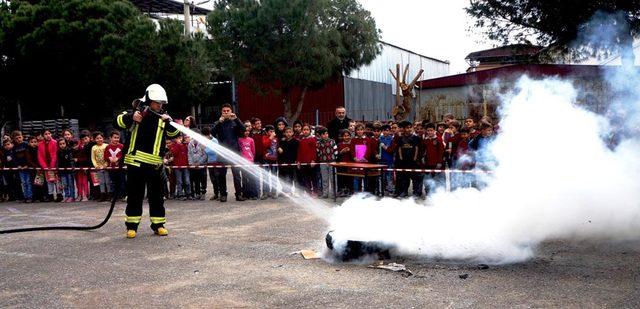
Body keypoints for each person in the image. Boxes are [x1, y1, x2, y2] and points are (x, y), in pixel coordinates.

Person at [114, 83, 179, 238]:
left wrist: (169, 121)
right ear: (149, 101)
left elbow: (175, 133)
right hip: (136, 164)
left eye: (162, 103)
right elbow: (117, 121)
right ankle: (132, 227)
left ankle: (158, 225)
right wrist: (131, 117)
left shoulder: (163, 118)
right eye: (157, 103)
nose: (159, 105)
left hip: (155, 165)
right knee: (135, 196)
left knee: (157, 196)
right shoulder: (137, 114)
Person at [211, 103, 245, 202]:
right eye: (224, 111)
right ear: (221, 112)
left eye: (228, 111)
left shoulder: (235, 122)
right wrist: (218, 123)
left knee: (237, 175)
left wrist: (236, 119)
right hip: (222, 153)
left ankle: (238, 194)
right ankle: (223, 195)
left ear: (231, 111)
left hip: (234, 153)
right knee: (221, 175)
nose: (226, 113)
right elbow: (211, 133)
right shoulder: (218, 123)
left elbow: (243, 130)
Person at [389, 121, 423, 198]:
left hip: (413, 162)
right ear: (403, 129)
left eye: (410, 127)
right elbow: (398, 149)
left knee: (415, 178)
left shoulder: (416, 138)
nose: (409, 129)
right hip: (402, 161)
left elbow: (418, 149)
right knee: (404, 178)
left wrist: (416, 159)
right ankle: (403, 191)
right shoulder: (399, 138)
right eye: (407, 128)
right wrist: (400, 159)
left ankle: (416, 193)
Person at [37, 130, 61, 202]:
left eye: (49, 133)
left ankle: (59, 195)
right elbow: (40, 156)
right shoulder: (40, 144)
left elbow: (55, 155)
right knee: (49, 181)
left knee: (57, 181)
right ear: (43, 135)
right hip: (46, 167)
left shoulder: (55, 143)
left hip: (54, 165)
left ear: (51, 134)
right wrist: (45, 166)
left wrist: (52, 165)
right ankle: (50, 196)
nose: (48, 135)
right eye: (46, 134)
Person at [422, 123, 445, 196]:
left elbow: (441, 152)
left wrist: (439, 162)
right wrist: (423, 158)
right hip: (427, 163)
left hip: (436, 163)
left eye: (431, 130)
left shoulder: (438, 139)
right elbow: (423, 151)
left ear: (434, 130)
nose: (429, 132)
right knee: (427, 179)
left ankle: (437, 194)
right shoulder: (425, 140)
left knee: (437, 179)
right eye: (428, 131)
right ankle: (428, 193)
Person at [315, 126, 337, 199]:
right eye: (323, 134)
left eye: (327, 133)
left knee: (333, 178)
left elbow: (336, 151)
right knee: (324, 179)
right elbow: (318, 153)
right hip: (323, 163)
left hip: (332, 163)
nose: (325, 135)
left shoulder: (332, 141)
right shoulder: (318, 143)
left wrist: (333, 160)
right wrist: (322, 160)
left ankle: (334, 194)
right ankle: (325, 194)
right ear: (320, 135)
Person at [296, 124, 317, 195]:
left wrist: (313, 160)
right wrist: (298, 161)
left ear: (310, 131)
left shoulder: (312, 140)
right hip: (303, 163)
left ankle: (315, 192)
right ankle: (308, 192)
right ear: (302, 131)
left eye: (307, 130)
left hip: (311, 163)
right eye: (304, 130)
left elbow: (314, 151)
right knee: (306, 178)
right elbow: (299, 152)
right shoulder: (301, 141)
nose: (305, 131)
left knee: (313, 178)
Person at [12, 131, 33, 203]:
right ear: (14, 139)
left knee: (28, 182)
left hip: (27, 167)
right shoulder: (14, 148)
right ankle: (25, 196)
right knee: (23, 182)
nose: (18, 139)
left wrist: (27, 165)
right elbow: (14, 158)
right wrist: (18, 165)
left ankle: (30, 196)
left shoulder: (26, 144)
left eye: (20, 137)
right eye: (16, 138)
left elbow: (30, 156)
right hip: (20, 167)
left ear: (22, 137)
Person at [104, 131, 125, 201]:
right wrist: (109, 158)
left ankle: (122, 195)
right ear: (110, 138)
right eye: (115, 138)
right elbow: (105, 156)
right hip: (111, 169)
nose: (116, 139)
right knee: (113, 182)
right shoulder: (108, 147)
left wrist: (118, 159)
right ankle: (114, 196)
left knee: (121, 182)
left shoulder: (121, 146)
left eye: (118, 138)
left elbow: (124, 156)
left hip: (120, 168)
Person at [202, 127, 221, 201]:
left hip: (215, 161)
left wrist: (205, 148)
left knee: (217, 178)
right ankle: (215, 193)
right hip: (209, 162)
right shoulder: (205, 141)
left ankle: (219, 193)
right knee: (212, 179)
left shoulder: (214, 140)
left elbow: (213, 151)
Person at [277, 127, 298, 196]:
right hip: (283, 163)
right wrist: (279, 150)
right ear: (284, 133)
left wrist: (296, 161)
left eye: (290, 132)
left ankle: (289, 190)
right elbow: (279, 151)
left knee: (291, 177)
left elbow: (297, 153)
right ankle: (284, 190)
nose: (288, 134)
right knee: (282, 177)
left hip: (292, 163)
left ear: (292, 133)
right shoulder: (282, 141)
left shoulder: (296, 142)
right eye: (287, 132)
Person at [188, 129, 207, 200]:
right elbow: (189, 154)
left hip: (201, 165)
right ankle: (197, 193)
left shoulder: (202, 143)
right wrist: (191, 163)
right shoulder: (190, 143)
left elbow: (205, 155)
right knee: (196, 180)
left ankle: (203, 193)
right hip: (193, 165)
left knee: (203, 179)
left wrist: (199, 163)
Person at [91, 131, 110, 202]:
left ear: (103, 138)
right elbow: (93, 158)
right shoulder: (94, 147)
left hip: (106, 167)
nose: (99, 139)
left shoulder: (106, 146)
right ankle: (102, 195)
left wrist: (106, 164)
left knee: (107, 181)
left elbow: (108, 156)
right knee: (101, 182)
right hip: (98, 168)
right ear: (94, 139)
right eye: (97, 138)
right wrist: (96, 165)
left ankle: (109, 194)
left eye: (100, 138)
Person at [170, 135, 190, 200]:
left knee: (187, 181)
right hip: (177, 166)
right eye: (178, 138)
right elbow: (174, 153)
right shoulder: (173, 145)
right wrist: (178, 145)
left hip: (185, 165)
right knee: (179, 181)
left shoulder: (185, 145)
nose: (180, 139)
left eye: (180, 138)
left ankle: (188, 194)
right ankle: (180, 194)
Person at [238, 126, 255, 200]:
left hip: (250, 161)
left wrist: (252, 159)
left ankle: (252, 194)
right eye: (245, 131)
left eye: (248, 131)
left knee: (251, 178)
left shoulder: (251, 140)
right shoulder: (239, 140)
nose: (247, 132)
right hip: (243, 162)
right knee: (244, 178)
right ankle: (245, 194)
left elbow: (253, 150)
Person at [57, 138, 76, 203]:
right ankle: (66, 196)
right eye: (60, 144)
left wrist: (72, 167)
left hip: (69, 170)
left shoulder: (69, 150)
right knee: (64, 184)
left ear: (66, 143)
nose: (62, 145)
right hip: (62, 171)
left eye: (63, 143)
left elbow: (71, 160)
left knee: (71, 184)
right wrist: (58, 170)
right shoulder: (58, 152)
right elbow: (58, 162)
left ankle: (72, 196)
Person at [263, 125, 279, 198]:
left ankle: (274, 192)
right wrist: (270, 138)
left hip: (274, 160)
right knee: (265, 176)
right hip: (266, 160)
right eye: (270, 131)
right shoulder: (264, 138)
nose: (272, 133)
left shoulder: (276, 139)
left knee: (274, 176)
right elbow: (265, 145)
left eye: (273, 131)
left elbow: (277, 147)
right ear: (266, 132)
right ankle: (265, 192)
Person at [378, 124, 395, 194]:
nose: (385, 132)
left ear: (390, 131)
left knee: (389, 175)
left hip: (389, 160)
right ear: (382, 131)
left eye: (387, 130)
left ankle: (390, 189)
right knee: (382, 176)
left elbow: (391, 150)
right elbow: (376, 148)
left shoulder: (391, 139)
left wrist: (384, 147)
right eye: (384, 130)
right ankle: (382, 189)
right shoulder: (380, 138)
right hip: (381, 160)